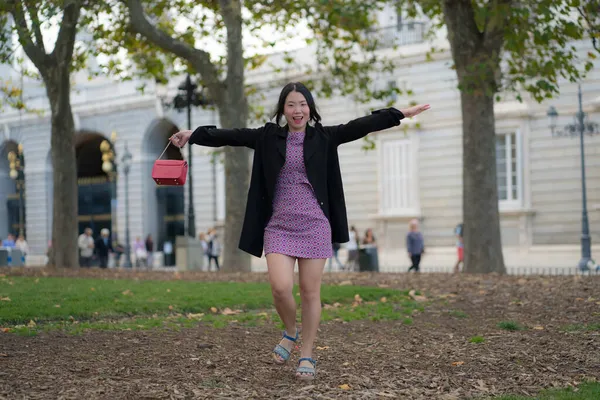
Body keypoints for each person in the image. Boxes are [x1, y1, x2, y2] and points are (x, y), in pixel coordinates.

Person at [170, 81, 430, 380]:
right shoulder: (268, 137)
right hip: (279, 225)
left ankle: (306, 354)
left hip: (315, 224)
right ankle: (291, 331)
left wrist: (399, 114)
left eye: (303, 104)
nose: (298, 110)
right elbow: (233, 136)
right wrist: (193, 135)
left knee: (310, 292)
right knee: (280, 288)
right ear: (283, 109)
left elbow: (362, 125)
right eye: (291, 104)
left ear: (310, 108)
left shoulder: (325, 136)